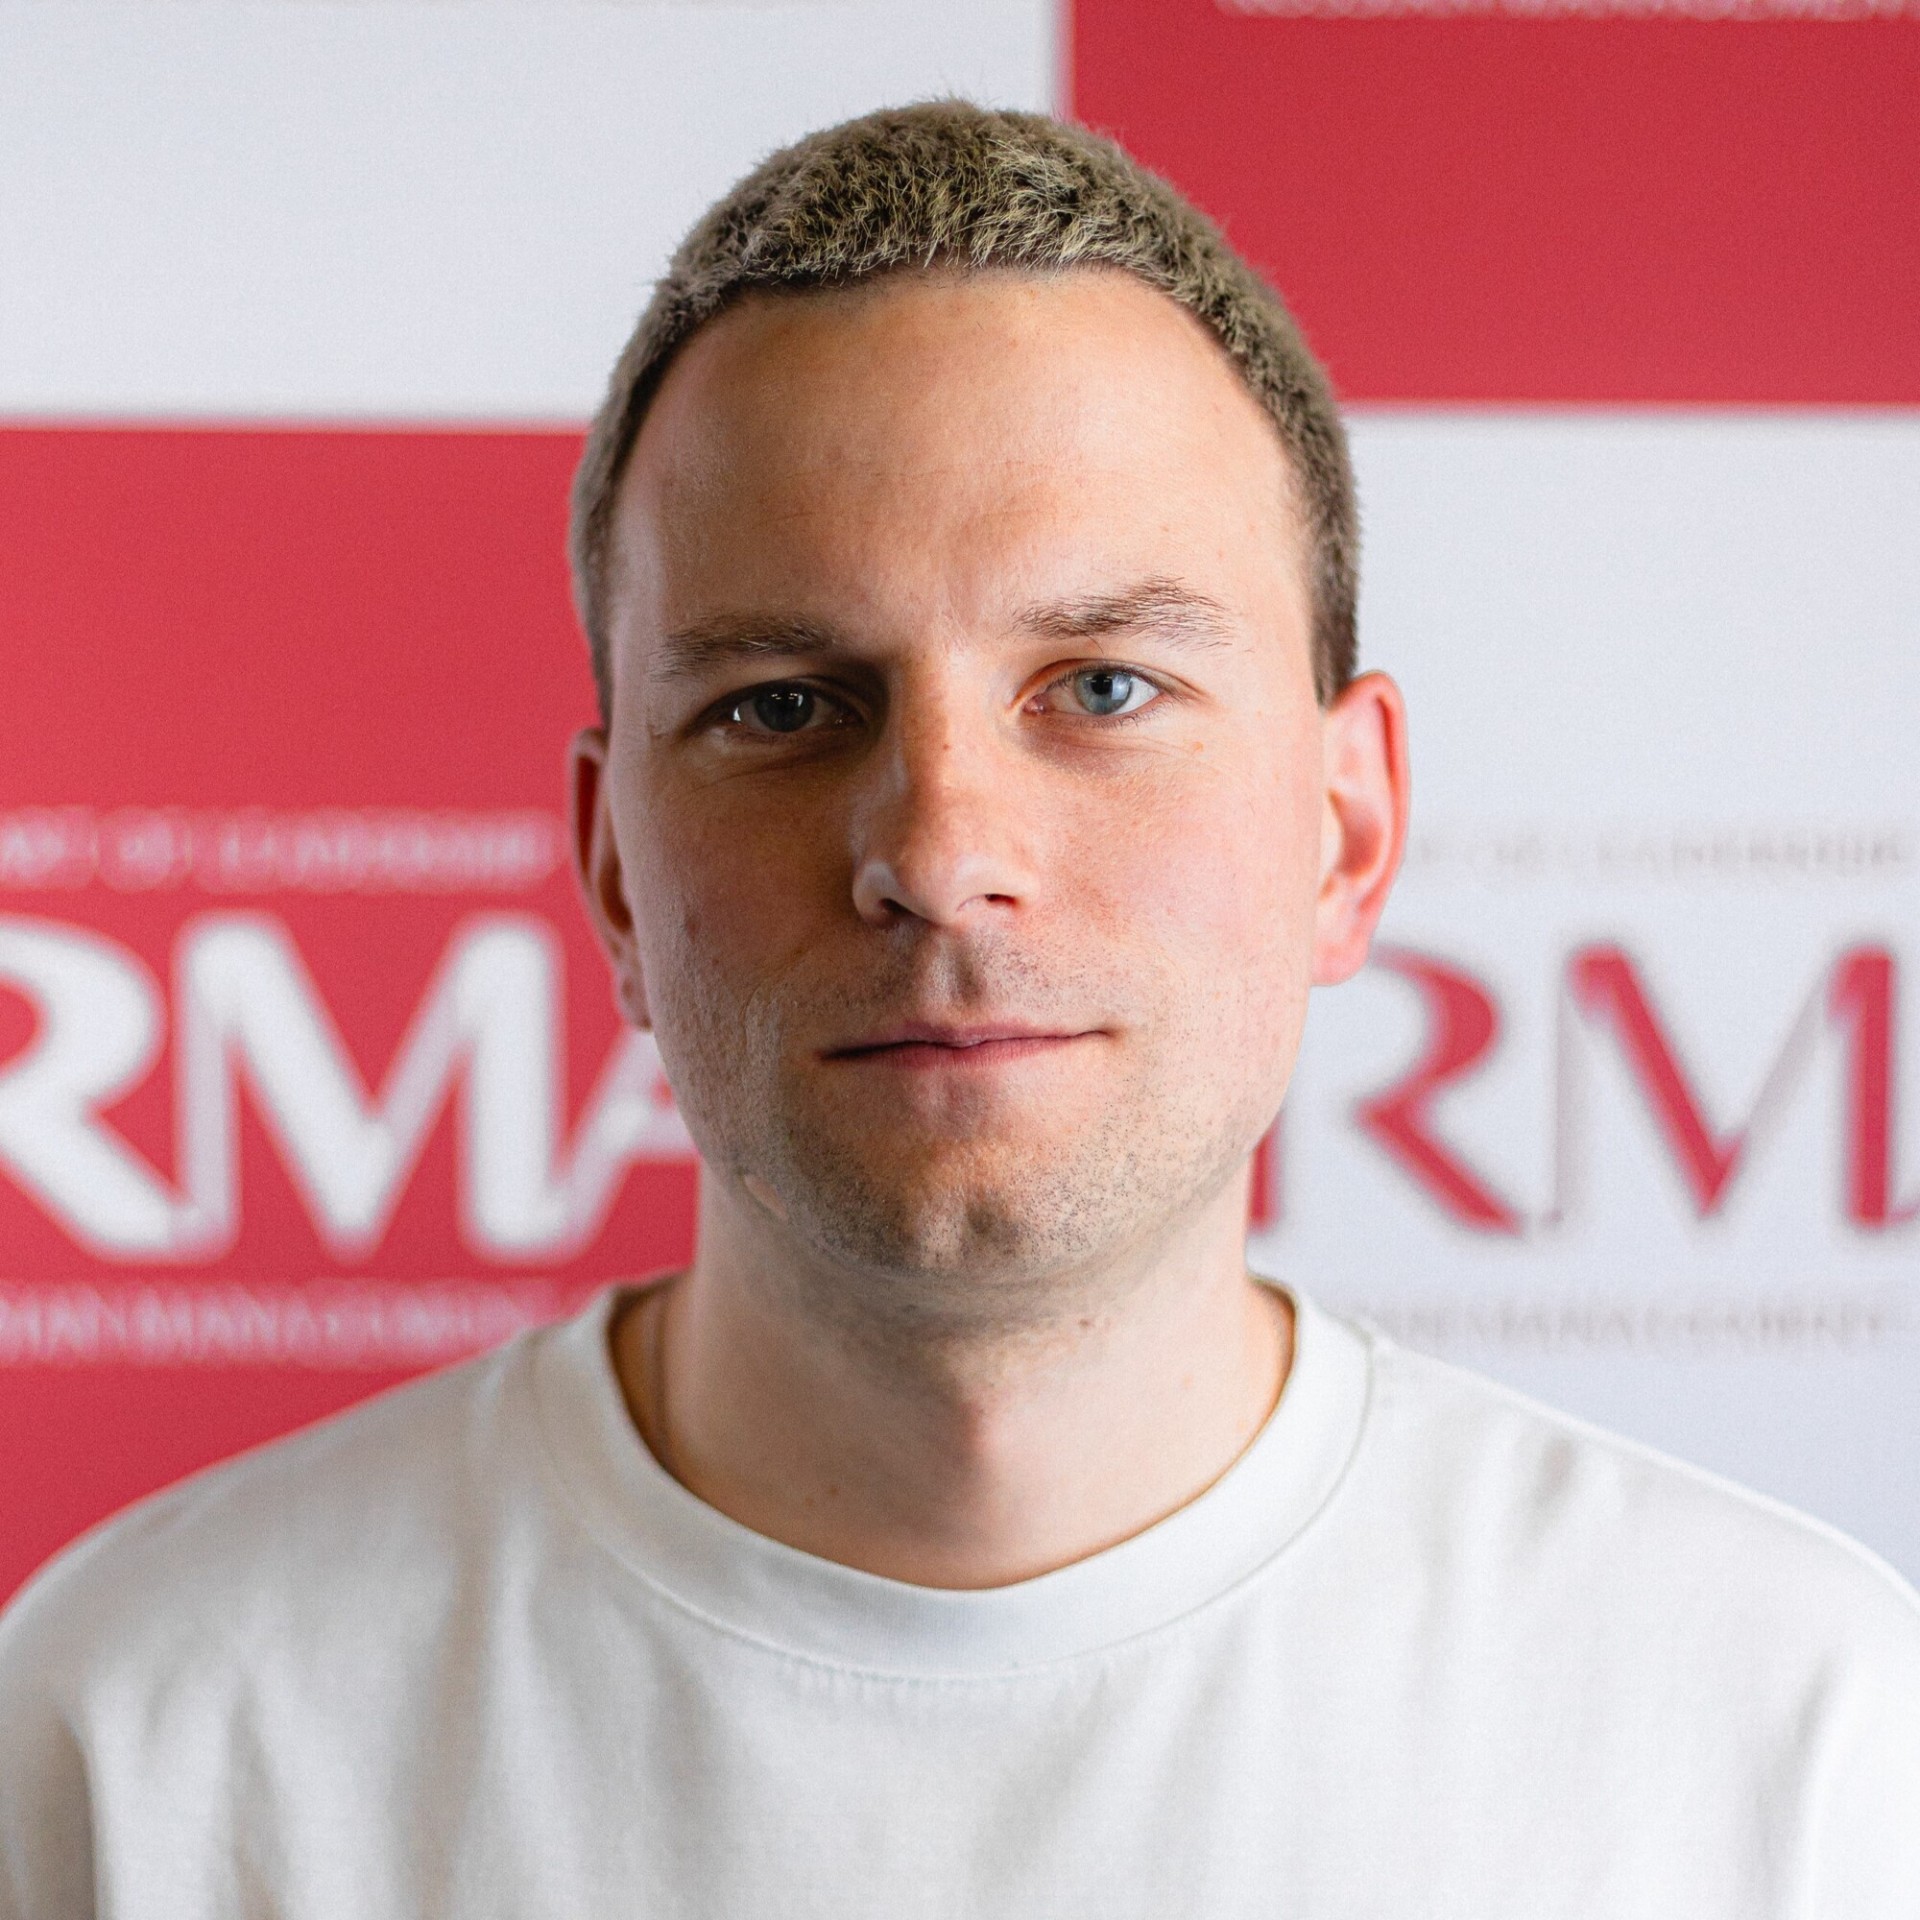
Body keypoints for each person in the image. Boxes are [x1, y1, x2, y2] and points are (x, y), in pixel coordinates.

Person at [2, 101, 1916, 1918]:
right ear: (613, 874)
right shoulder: (139, 1744)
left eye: (1102, 688)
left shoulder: (1795, 1746)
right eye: (779, 706)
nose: (935, 849)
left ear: (1346, 832)